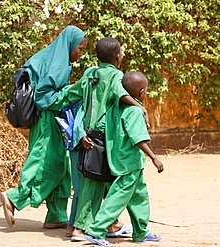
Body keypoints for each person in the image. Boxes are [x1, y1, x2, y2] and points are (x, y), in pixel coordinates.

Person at [0, 26, 88, 229]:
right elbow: (45, 96)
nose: (80, 54)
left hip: (50, 119)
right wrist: (75, 91)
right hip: (47, 119)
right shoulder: (58, 64)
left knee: (60, 166)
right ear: (71, 45)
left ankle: (56, 215)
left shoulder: (51, 57)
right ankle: (14, 197)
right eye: (80, 49)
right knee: (44, 163)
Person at [66, 37, 150, 240]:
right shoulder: (116, 76)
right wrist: (142, 108)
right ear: (117, 56)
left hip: (89, 134)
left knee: (97, 182)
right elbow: (121, 94)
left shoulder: (91, 74)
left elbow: (73, 94)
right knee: (99, 184)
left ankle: (106, 224)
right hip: (105, 138)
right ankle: (83, 228)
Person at [84, 71, 164, 247]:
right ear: (141, 92)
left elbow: (101, 126)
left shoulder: (113, 108)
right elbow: (138, 139)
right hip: (129, 163)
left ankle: (141, 232)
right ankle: (96, 231)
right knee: (117, 197)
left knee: (139, 197)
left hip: (120, 160)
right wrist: (154, 157)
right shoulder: (134, 111)